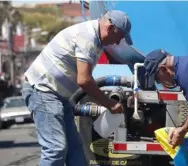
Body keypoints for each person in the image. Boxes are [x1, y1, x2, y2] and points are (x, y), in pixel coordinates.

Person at [21, 10, 133, 166]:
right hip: (43, 91)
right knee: (55, 149)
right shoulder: (87, 37)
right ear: (111, 28)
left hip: (58, 95)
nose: (117, 43)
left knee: (75, 149)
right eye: (119, 37)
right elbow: (84, 80)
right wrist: (110, 104)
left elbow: (87, 79)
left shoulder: (95, 39)